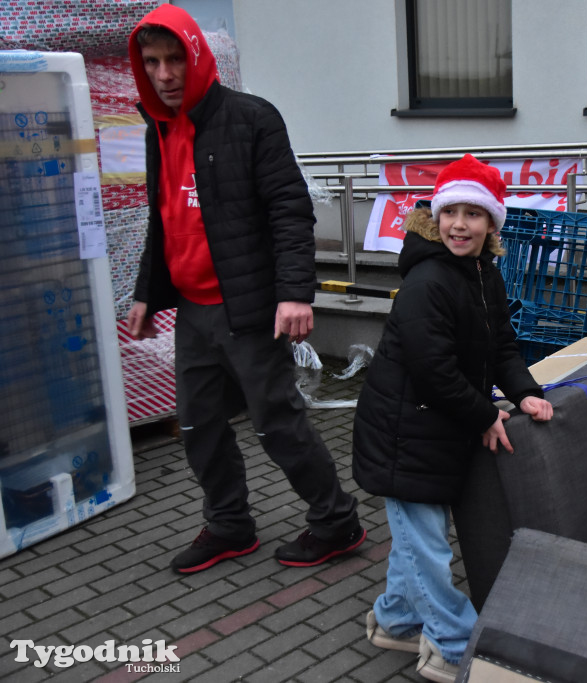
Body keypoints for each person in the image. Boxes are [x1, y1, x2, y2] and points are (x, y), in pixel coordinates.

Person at [125, 4, 364, 574]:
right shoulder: (157, 130)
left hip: (250, 310)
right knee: (197, 427)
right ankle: (230, 526)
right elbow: (163, 222)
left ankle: (337, 523)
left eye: (174, 58)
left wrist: (295, 293)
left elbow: (289, 208)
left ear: (196, 56)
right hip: (192, 312)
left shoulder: (252, 119)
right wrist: (143, 292)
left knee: (276, 423)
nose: (164, 74)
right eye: (152, 62)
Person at [352, 154, 554, 682]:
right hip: (405, 431)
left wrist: (525, 392)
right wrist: (486, 413)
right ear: (435, 218)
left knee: (418, 540)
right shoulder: (430, 281)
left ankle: (394, 623)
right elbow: (432, 370)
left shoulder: (485, 274)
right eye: (451, 212)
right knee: (428, 546)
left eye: (473, 213)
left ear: (492, 224)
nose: (460, 224)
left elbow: (502, 345)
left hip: (433, 425)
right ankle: (453, 645)